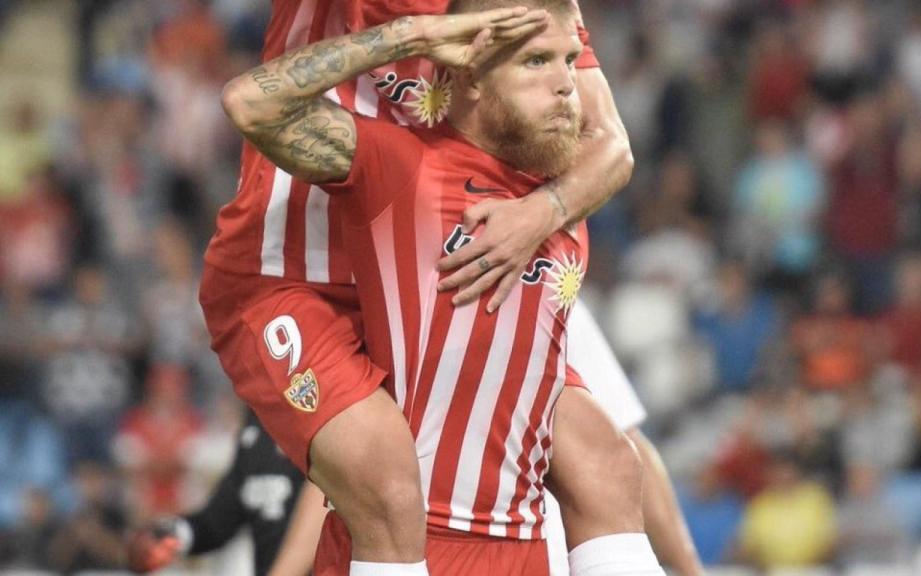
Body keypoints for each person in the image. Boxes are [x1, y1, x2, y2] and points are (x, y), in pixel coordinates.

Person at [238, 1, 703, 574]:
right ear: (471, 78)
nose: (566, 84)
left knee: (612, 458)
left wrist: (545, 208)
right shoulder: (403, 166)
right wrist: (414, 34)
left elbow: (614, 147)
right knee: (390, 481)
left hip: (519, 544)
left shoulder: (562, 195)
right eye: (537, 62)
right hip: (407, 538)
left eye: (567, 60)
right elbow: (251, 103)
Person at [125, 410, 306, 575]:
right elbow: (217, 521)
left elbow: (321, 512)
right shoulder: (257, 430)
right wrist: (168, 534)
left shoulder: (320, 420)